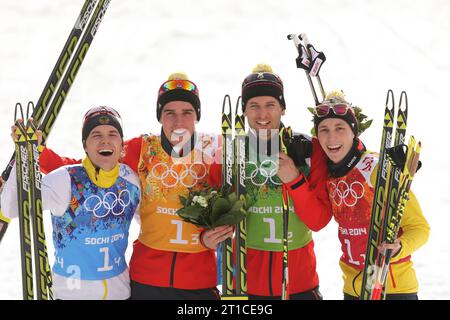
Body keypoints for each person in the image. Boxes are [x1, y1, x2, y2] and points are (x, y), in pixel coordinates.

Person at [38, 72, 233, 300]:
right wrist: (38, 152)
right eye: (169, 113)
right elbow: (87, 167)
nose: (178, 121)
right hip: (146, 280)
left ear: (196, 117)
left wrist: (213, 239)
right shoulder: (142, 149)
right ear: (160, 117)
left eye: (187, 113)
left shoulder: (214, 150)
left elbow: (237, 206)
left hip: (198, 281)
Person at [210, 64, 332, 300]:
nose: (262, 115)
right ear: (244, 110)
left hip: (299, 284)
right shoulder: (229, 152)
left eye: (270, 105)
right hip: (245, 283)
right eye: (253, 106)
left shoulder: (308, 148)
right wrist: (210, 233)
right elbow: (212, 215)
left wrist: (295, 180)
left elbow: (318, 220)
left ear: (283, 108)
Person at [1, 106, 141, 300]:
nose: (105, 140)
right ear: (85, 145)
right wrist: (24, 156)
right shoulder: (65, 179)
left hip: (120, 294)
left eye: (113, 134)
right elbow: (13, 207)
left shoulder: (131, 180)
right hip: (72, 295)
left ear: (121, 143)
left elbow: (150, 223)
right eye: (96, 135)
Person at [311, 91, 430, 299]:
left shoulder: (376, 169)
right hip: (353, 290)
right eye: (324, 130)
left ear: (354, 132)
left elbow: (420, 228)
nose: (331, 138)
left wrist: (400, 247)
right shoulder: (329, 175)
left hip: (393, 288)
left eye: (340, 128)